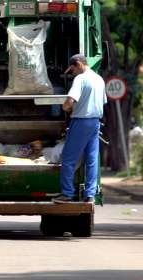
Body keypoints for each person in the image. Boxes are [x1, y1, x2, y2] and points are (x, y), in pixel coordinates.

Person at [52, 54, 106, 204]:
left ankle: (67, 193)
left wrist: (64, 108)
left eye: (73, 70)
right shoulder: (99, 79)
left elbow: (70, 101)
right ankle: (90, 196)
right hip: (95, 122)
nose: (73, 73)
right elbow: (103, 102)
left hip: (81, 122)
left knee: (68, 159)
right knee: (92, 159)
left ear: (78, 64)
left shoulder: (80, 79)